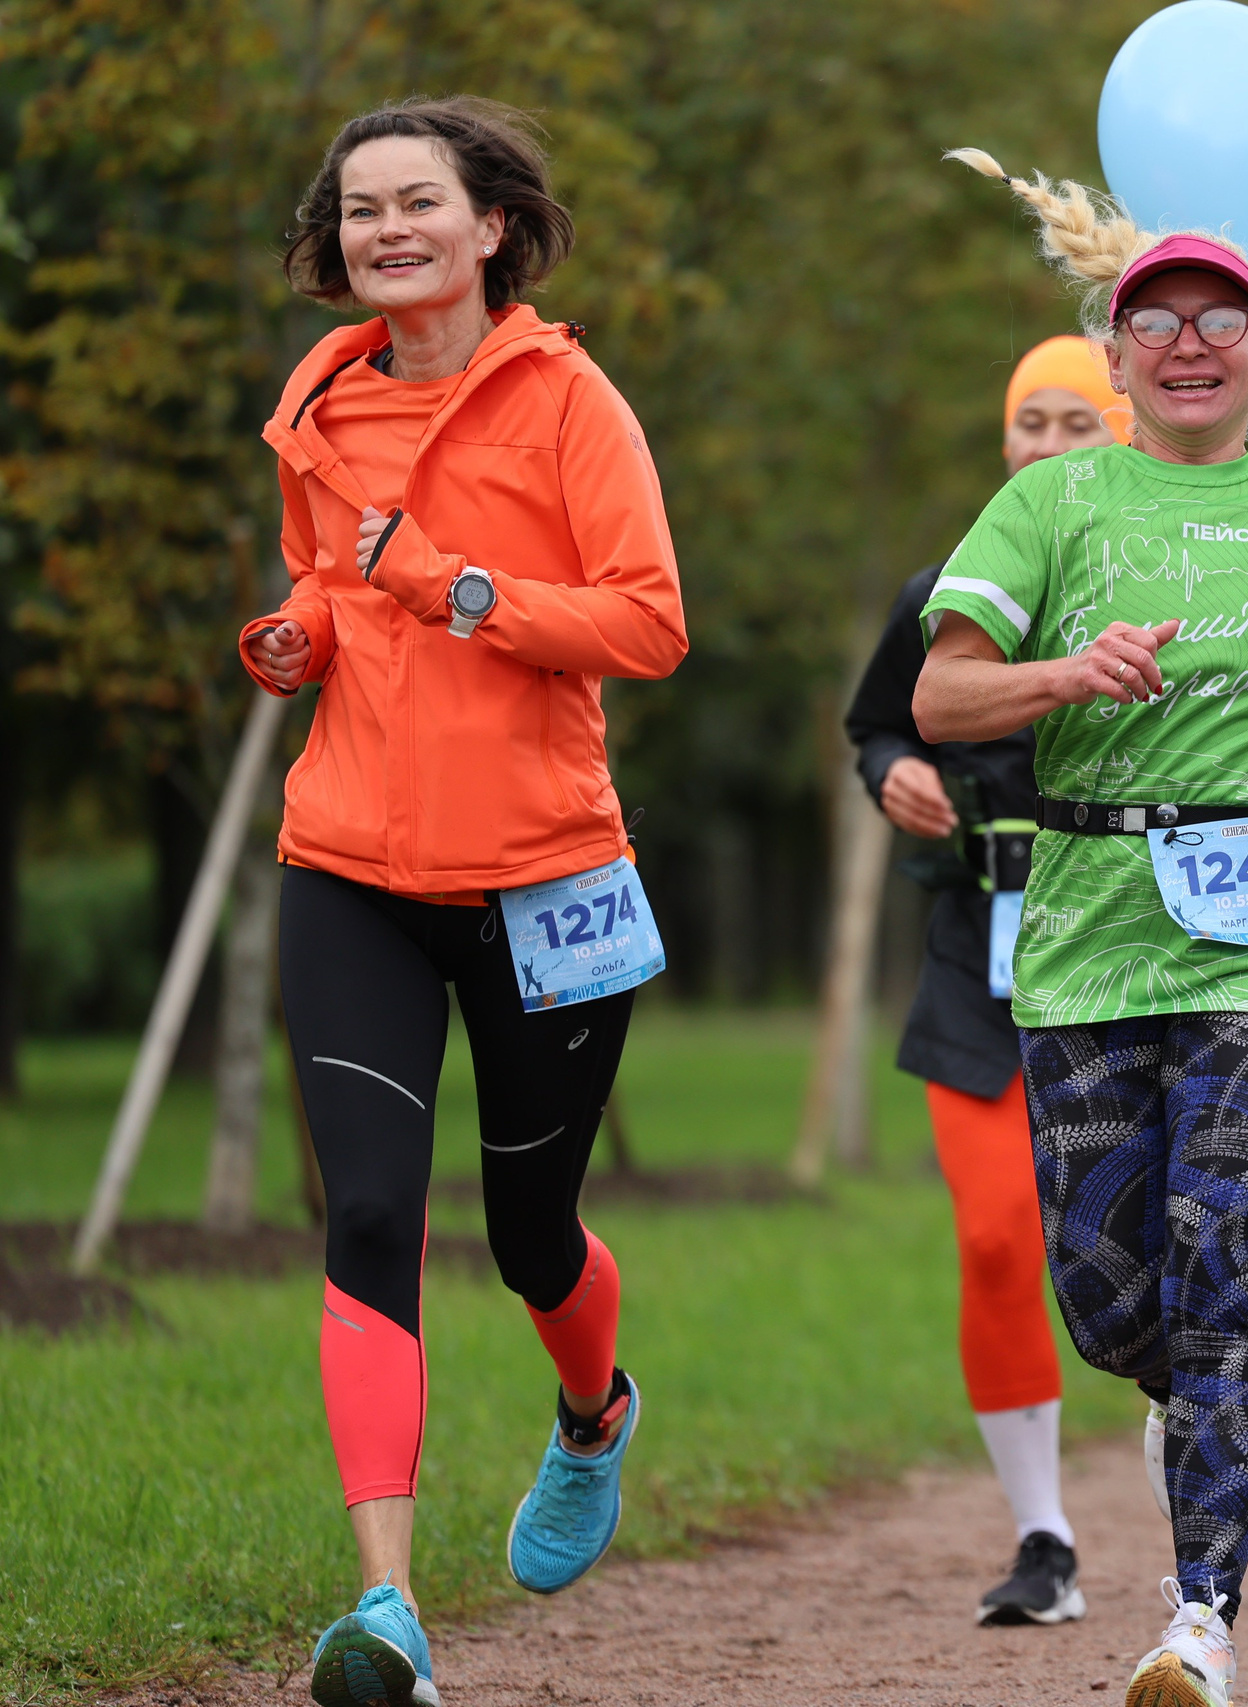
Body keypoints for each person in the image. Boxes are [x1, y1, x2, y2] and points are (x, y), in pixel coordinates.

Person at [915, 150, 1248, 1707]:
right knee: (1108, 1292)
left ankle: (1200, 1615)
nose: (1190, 340)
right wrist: (1066, 675)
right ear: (1116, 351)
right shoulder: (1049, 500)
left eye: (1223, 317)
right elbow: (940, 698)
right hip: (1084, 932)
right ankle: (1193, 1394)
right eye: (1159, 319)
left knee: (1218, 1252)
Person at [243, 98, 686, 1707]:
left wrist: (453, 585)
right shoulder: (320, 398)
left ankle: (593, 1416)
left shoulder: (572, 403)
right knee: (368, 1215)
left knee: (528, 1231)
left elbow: (647, 625)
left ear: (490, 224)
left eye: (417, 202)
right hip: (349, 860)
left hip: (547, 874)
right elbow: (324, 570)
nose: (387, 231)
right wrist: (296, 629)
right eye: (360, 211)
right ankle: (386, 1612)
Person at [842, 335, 1126, 1625]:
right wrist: (889, 770)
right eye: (1032, 423)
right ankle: (1044, 1537)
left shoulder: (1163, 591)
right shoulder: (943, 594)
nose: (1052, 445)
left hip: (1133, 942)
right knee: (997, 1236)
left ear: (1125, 434)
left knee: (1144, 1250)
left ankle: (1206, 1502)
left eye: (1081, 422)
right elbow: (880, 718)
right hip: (979, 954)